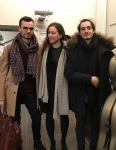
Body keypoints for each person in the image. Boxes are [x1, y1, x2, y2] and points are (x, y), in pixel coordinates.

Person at [64, 18, 116, 150]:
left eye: (89, 28)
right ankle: (80, 147)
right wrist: (90, 79)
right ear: (79, 32)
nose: (86, 31)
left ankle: (93, 147)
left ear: (93, 30)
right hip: (80, 94)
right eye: (83, 29)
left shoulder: (104, 47)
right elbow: (69, 74)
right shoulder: (72, 49)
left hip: (99, 93)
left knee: (96, 123)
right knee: (80, 123)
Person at [0, 16, 46, 150]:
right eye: (25, 28)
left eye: (31, 28)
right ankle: (17, 143)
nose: (28, 31)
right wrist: (1, 97)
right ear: (20, 29)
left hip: (31, 90)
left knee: (36, 118)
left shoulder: (39, 48)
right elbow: (2, 72)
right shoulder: (9, 48)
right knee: (15, 120)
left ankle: (37, 141)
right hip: (14, 90)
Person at [38, 22, 69, 150]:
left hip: (62, 89)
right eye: (49, 33)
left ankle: (63, 141)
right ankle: (52, 142)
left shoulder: (67, 50)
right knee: (49, 117)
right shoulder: (44, 49)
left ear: (60, 34)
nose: (50, 35)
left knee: (64, 116)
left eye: (53, 33)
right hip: (48, 89)